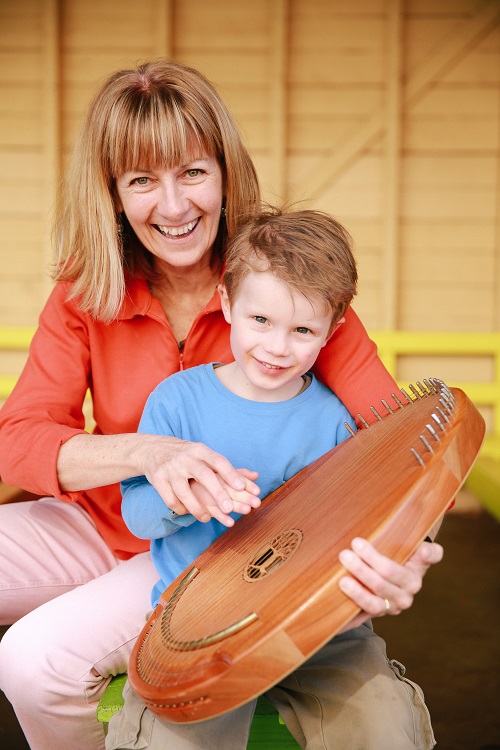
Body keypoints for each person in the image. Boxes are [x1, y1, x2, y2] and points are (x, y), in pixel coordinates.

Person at [0, 59, 442, 750]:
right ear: (114, 195)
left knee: (32, 662)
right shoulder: (84, 290)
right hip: (100, 520)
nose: (173, 207)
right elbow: (20, 437)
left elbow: (401, 444)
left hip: (203, 551)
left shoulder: (286, 290)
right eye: (143, 180)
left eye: (193, 173)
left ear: (226, 171)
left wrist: (406, 547)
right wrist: (153, 454)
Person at [106, 206, 437, 749]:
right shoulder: (177, 400)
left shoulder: (334, 420)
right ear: (228, 303)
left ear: (333, 331)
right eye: (261, 321)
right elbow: (137, 514)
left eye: (303, 330)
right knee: (171, 739)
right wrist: (188, 497)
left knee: (384, 724)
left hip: (320, 631)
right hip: (198, 626)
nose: (278, 348)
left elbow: (355, 524)